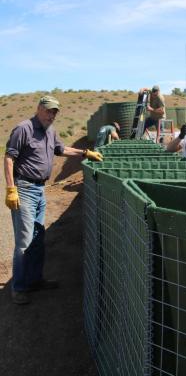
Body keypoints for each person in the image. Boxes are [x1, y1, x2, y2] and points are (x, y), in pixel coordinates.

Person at [4, 95, 103, 305]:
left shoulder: (50, 131)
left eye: (55, 112)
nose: (52, 115)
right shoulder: (24, 129)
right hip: (24, 188)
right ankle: (19, 287)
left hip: (40, 189)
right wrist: (11, 188)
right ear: (39, 108)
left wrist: (85, 153)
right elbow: (9, 157)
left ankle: (35, 280)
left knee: (38, 238)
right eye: (48, 110)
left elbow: (61, 149)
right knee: (24, 242)